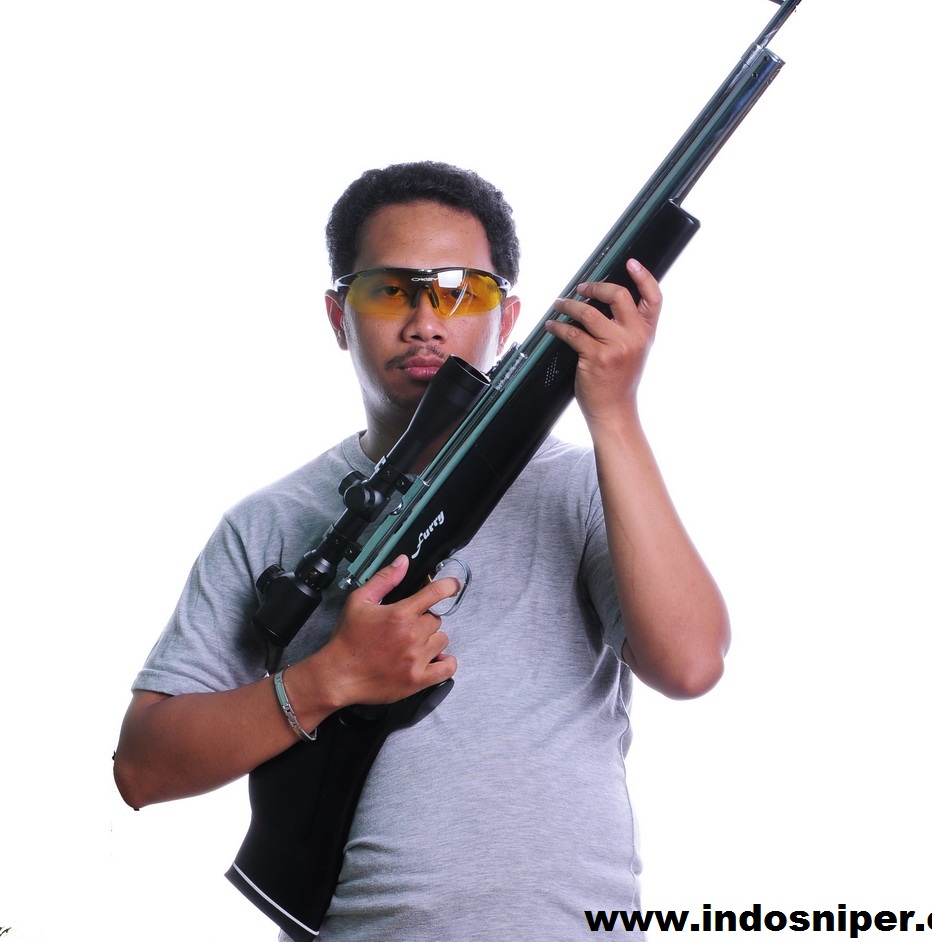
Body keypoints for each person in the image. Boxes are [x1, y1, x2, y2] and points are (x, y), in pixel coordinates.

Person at [113, 160, 730, 939]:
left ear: (509, 318)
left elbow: (691, 665)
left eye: (461, 292)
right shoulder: (267, 522)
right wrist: (332, 677)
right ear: (338, 316)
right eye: (388, 291)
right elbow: (143, 767)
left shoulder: (590, 486)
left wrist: (613, 411)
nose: (426, 323)